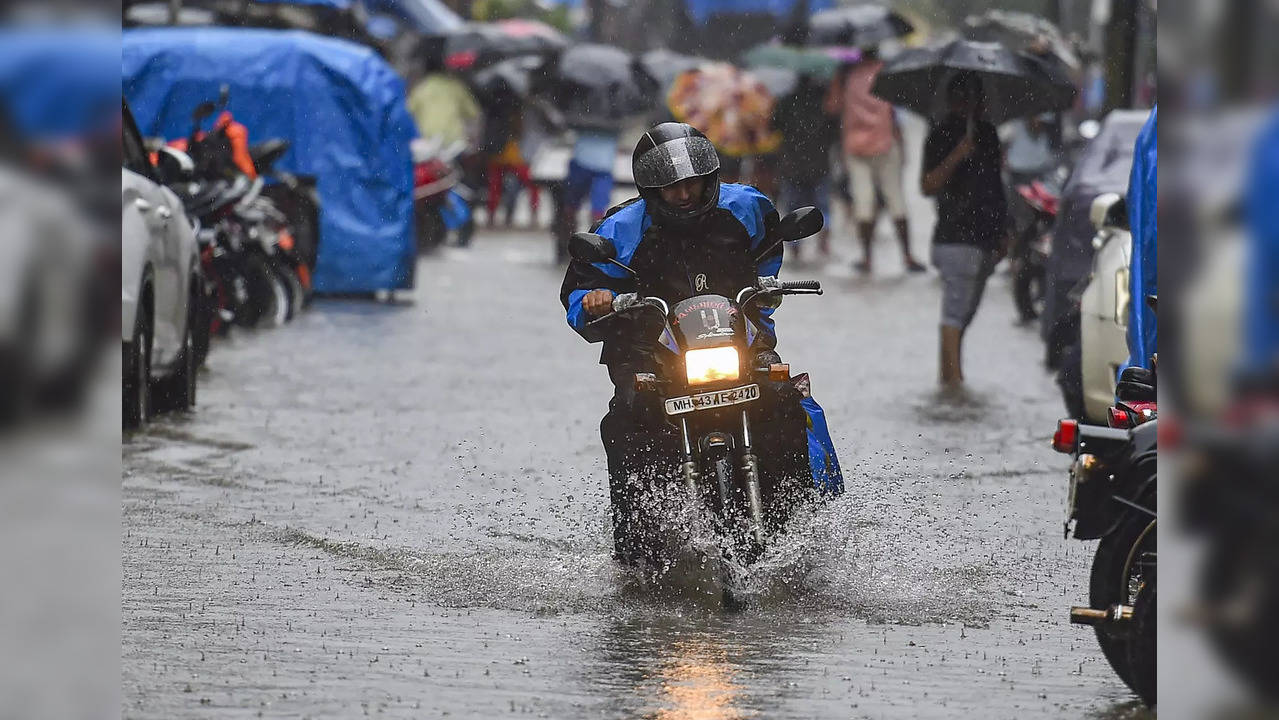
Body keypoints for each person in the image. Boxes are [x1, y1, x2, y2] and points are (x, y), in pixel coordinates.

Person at [558, 122, 813, 564]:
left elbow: (769, 251)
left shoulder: (748, 206)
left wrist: (761, 299)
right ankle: (638, 553)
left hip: (734, 337)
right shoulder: (620, 227)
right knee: (628, 422)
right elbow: (577, 295)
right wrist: (597, 301)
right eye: (672, 188)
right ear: (651, 190)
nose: (685, 195)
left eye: (693, 184)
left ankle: (801, 523)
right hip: (648, 350)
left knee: (786, 399)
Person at [921, 72, 1009, 388]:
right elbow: (928, 185)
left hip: (986, 238)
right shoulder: (940, 135)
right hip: (955, 237)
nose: (969, 103)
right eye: (963, 96)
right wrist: (956, 156)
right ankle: (954, 386)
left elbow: (996, 186)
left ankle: (948, 375)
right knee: (955, 314)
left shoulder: (988, 134)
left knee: (965, 315)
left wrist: (1005, 231)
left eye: (974, 97)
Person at [825, 49, 925, 274]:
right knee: (895, 198)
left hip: (855, 146)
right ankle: (907, 256)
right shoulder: (886, 71)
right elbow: (895, 109)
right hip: (885, 143)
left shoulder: (846, 75)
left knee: (864, 202)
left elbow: (832, 107)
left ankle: (867, 257)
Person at [772, 74, 837, 256]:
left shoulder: (785, 101)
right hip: (819, 164)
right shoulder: (824, 103)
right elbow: (834, 132)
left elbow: (774, 126)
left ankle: (795, 249)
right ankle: (823, 245)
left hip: (791, 165)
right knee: (822, 207)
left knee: (793, 208)